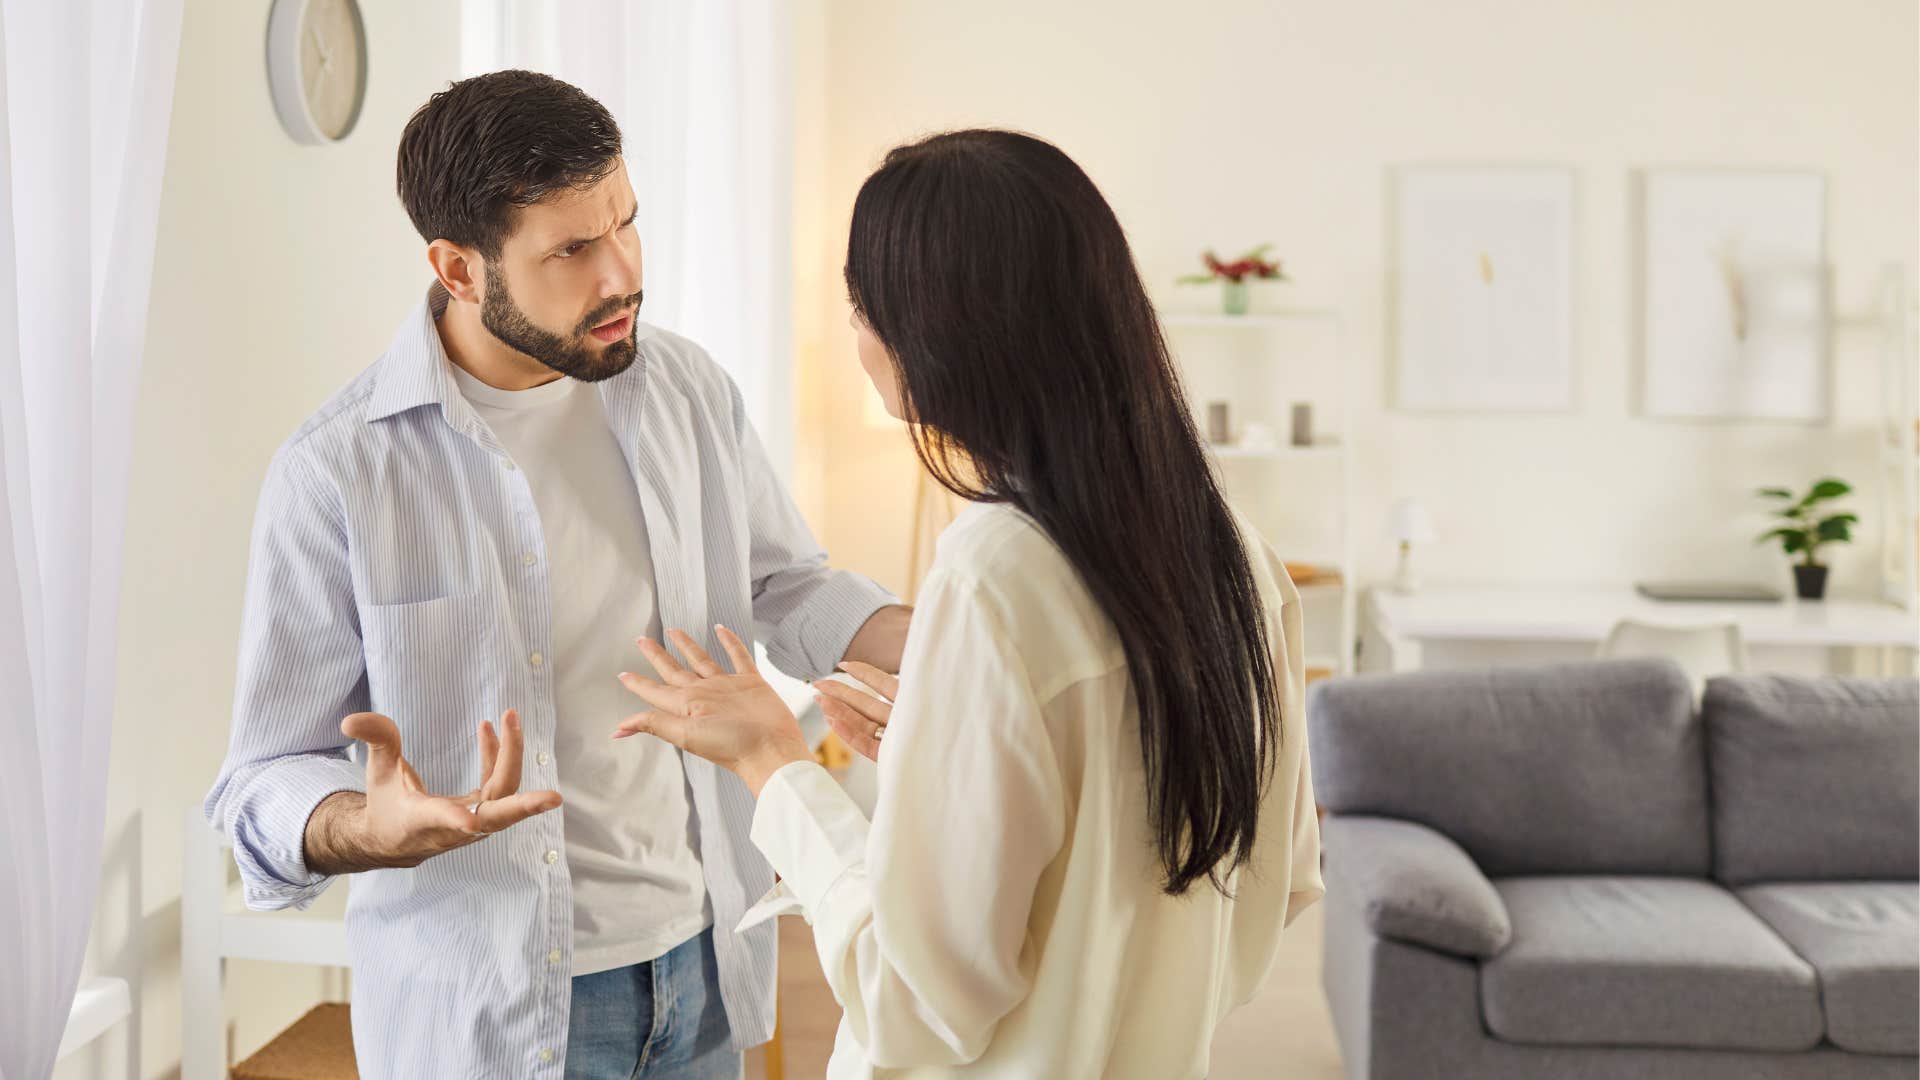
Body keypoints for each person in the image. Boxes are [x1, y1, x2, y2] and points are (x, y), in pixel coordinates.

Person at [203, 70, 910, 1079]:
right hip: (491, 1010)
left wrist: (964, 636)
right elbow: (260, 777)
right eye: (573, 250)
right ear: (458, 267)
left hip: (705, 959)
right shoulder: (337, 475)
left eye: (625, 225)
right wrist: (364, 823)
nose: (620, 272)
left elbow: (790, 586)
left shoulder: (685, 388)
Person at [615, 129, 1324, 1078]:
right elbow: (1274, 883)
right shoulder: (1236, 554)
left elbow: (910, 1005)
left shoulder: (991, 575)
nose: (857, 338)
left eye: (860, 307)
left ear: (929, 336)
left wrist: (773, 763)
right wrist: (951, 742)